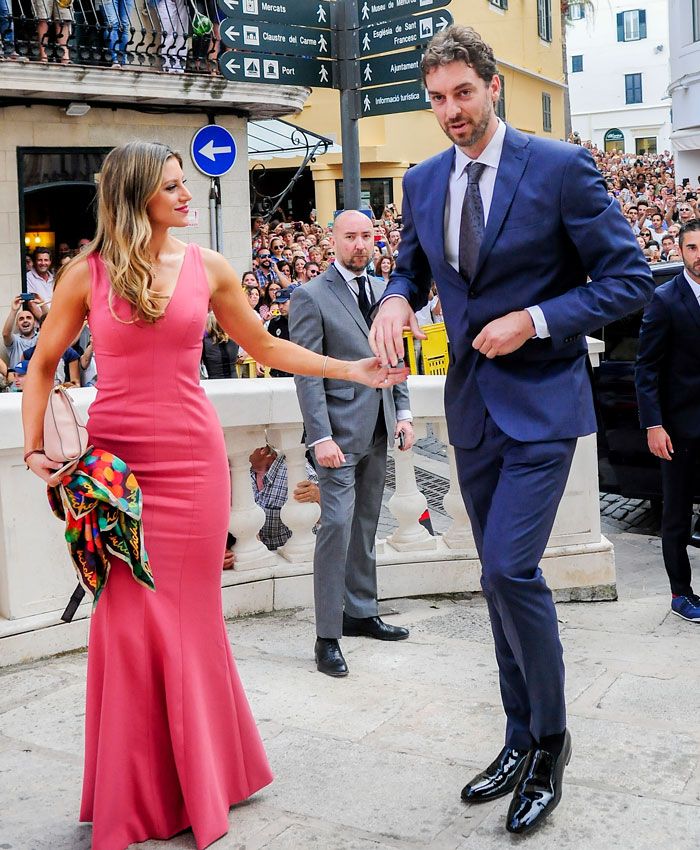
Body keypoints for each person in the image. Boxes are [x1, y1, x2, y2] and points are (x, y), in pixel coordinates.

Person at [20, 140, 407, 850]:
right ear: (139, 195)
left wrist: (352, 369)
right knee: (128, 624)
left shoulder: (210, 268)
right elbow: (42, 364)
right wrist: (34, 447)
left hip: (193, 465)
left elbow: (267, 348)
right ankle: (139, 791)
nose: (187, 195)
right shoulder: (87, 273)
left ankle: (206, 778)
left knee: (191, 622)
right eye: (173, 186)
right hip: (118, 472)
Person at [368, 26, 654, 835]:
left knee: (508, 567)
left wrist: (534, 319)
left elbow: (628, 278)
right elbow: (411, 268)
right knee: (497, 581)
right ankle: (516, 737)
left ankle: (552, 745)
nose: (450, 111)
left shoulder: (559, 168)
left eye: (462, 93)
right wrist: (394, 297)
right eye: (436, 98)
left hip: (542, 408)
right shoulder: (422, 181)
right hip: (471, 408)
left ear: (492, 87)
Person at [290, 209, 414, 679]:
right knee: (336, 528)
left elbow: (395, 356)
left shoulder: (387, 295)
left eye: (366, 236)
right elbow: (307, 370)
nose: (360, 244)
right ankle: (327, 636)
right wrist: (319, 436)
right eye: (350, 237)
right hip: (337, 434)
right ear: (333, 241)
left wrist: (402, 412)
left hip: (380, 426)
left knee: (364, 525)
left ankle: (361, 611)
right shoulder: (310, 295)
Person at [635, 220, 700, 623]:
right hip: (678, 429)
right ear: (681, 251)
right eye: (692, 247)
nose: (699, 254)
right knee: (675, 515)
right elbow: (647, 368)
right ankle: (681, 594)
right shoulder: (665, 299)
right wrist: (653, 425)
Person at [249, 444, 319, 550]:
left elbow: (329, 517)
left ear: (262, 449)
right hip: (262, 556)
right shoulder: (242, 472)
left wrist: (319, 496)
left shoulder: (297, 470)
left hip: (297, 553)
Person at [201, 311, 239, 379]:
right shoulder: (234, 339)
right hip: (234, 382)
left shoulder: (204, 343)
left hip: (215, 383)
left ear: (208, 324)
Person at [267, 287, 292, 377]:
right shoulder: (275, 322)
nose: (280, 307)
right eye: (278, 303)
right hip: (278, 372)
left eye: (284, 303)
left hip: (296, 372)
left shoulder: (302, 322)